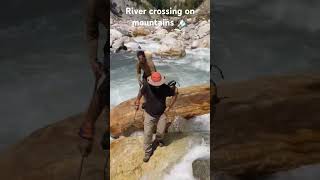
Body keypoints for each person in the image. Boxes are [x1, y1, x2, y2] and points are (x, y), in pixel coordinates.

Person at [78, 0, 109, 158]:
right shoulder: (93, 4)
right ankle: (92, 124)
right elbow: (92, 34)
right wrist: (93, 61)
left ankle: (89, 123)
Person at [134, 72, 178, 162]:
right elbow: (141, 92)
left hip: (161, 113)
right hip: (149, 114)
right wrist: (137, 100)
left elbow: (175, 94)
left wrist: (170, 106)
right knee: (147, 134)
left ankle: (159, 140)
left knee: (161, 131)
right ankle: (147, 152)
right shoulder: (146, 85)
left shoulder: (165, 88)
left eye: (158, 84)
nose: (157, 86)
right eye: (155, 84)